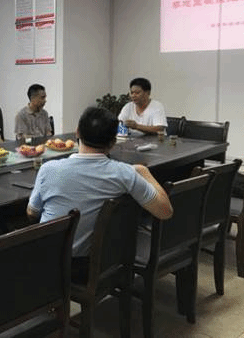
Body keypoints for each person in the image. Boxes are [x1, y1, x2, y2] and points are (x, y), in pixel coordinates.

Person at [27, 106, 173, 277]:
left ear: (77, 132)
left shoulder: (48, 169)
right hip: (100, 264)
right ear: (113, 142)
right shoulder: (125, 174)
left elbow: (32, 213)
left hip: (54, 264)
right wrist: (144, 172)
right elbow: (165, 211)